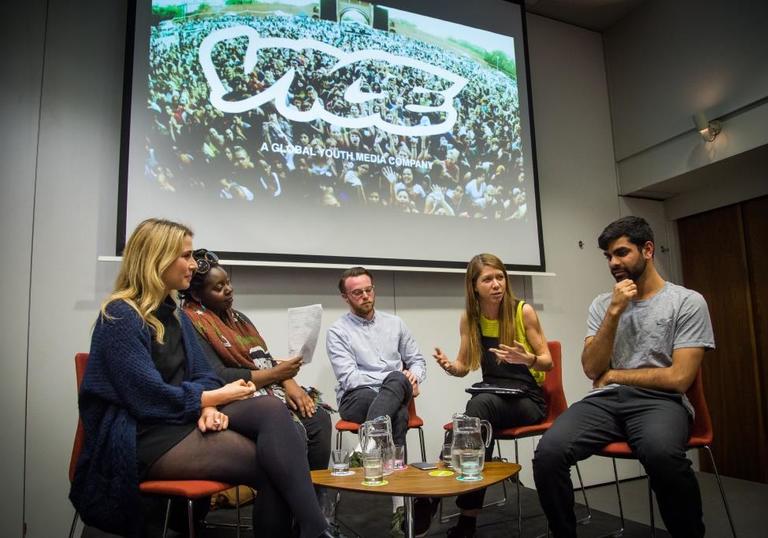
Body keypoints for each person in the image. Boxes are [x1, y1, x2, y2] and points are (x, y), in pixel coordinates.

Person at [69, 218, 332, 538]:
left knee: (271, 409)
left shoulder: (174, 315)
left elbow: (205, 375)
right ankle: (316, 529)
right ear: (157, 258)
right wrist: (212, 400)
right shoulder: (121, 316)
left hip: (182, 419)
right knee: (271, 467)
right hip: (143, 435)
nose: (193, 265)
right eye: (185, 255)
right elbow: (147, 397)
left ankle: (314, 528)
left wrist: (207, 407)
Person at [533, 216, 714, 538]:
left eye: (621, 253)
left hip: (661, 402)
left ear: (647, 249)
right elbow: (591, 369)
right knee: (548, 453)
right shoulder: (603, 304)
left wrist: (615, 373)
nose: (613, 263)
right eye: (608, 256)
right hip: (605, 402)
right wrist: (614, 312)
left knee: (662, 456)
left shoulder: (686, 302)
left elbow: (679, 379)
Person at [180, 248, 332, 473]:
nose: (229, 290)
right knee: (291, 429)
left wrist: (290, 384)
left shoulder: (239, 318)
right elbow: (219, 376)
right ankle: (290, 502)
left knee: (317, 417)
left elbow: (264, 360)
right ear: (197, 296)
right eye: (218, 288)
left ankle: (315, 496)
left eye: (228, 283)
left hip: (264, 391)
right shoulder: (192, 322)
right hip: (226, 399)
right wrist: (279, 375)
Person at [434, 253, 553, 537]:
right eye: (488, 279)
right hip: (493, 397)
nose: (497, 284)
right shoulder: (470, 318)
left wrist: (527, 359)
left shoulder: (522, 311)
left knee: (474, 413)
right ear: (474, 286)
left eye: (500, 277)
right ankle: (467, 517)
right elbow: (465, 366)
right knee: (477, 418)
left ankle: (438, 492)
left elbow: (547, 361)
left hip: (528, 400)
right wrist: (451, 367)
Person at [326, 266, 432, 535]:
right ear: (345, 297)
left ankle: (366, 448)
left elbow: (418, 361)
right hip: (355, 398)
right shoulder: (337, 331)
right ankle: (400, 507)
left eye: (369, 290)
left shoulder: (395, 323)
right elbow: (350, 378)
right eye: (357, 292)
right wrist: (396, 384)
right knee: (396, 396)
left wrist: (414, 377)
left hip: (390, 397)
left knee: (396, 401)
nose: (365, 296)